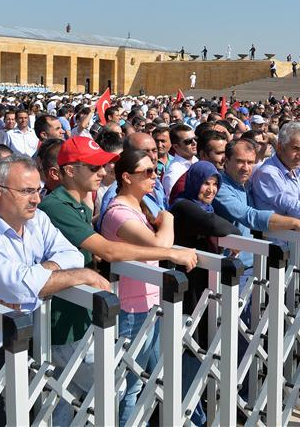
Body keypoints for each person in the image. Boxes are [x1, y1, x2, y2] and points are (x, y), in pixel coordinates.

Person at [39, 137, 197, 422]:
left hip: (80, 314)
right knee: (111, 387)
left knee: (68, 399)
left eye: (103, 166)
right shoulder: (57, 206)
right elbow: (109, 250)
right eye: (94, 167)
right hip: (64, 321)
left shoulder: (79, 204)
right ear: (70, 171)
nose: (102, 173)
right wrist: (170, 253)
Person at [0, 154, 107, 425]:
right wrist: (76, 276)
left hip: (28, 339)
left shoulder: (38, 221)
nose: (36, 198)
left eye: (37, 190)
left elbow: (71, 254)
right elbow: (15, 286)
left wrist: (39, 274)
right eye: (26, 191)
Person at [100, 148, 201, 424]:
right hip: (130, 310)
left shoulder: (140, 206)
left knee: (156, 377)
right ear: (126, 177)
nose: (154, 177)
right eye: (146, 172)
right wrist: (168, 220)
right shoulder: (118, 213)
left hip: (149, 303)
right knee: (129, 385)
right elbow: (159, 245)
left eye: (155, 170)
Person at [213, 139, 300, 283]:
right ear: (226, 161)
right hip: (231, 270)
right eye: (240, 161)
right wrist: (294, 222)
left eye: (250, 162)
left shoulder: (247, 182)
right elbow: (250, 216)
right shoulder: (219, 187)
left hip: (255, 263)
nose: (246, 168)